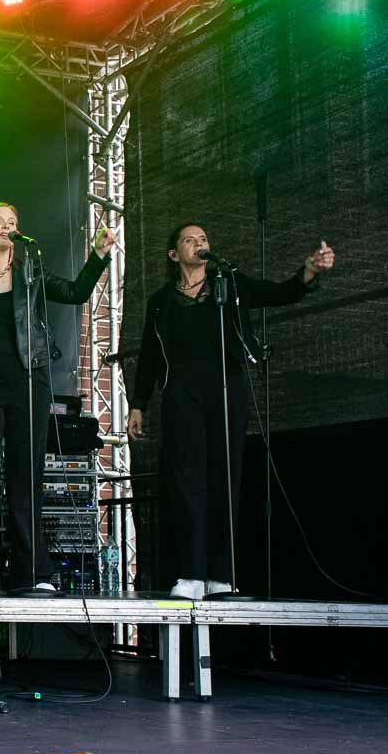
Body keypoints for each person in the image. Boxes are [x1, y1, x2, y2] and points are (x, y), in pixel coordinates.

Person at [127, 224, 334, 599]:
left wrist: (309, 272)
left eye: (204, 239)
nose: (199, 244)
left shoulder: (230, 286)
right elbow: (149, 356)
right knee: (188, 481)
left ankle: (222, 574)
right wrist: (137, 404)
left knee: (224, 478)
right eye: (190, 240)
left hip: (226, 388)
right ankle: (191, 573)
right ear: (174, 254)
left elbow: (278, 293)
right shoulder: (160, 301)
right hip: (181, 394)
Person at [0, 201, 114, 595]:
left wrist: (98, 254)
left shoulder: (31, 272)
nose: (6, 226)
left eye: (12, 222)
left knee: (26, 477)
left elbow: (76, 292)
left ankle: (33, 573)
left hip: (28, 380)